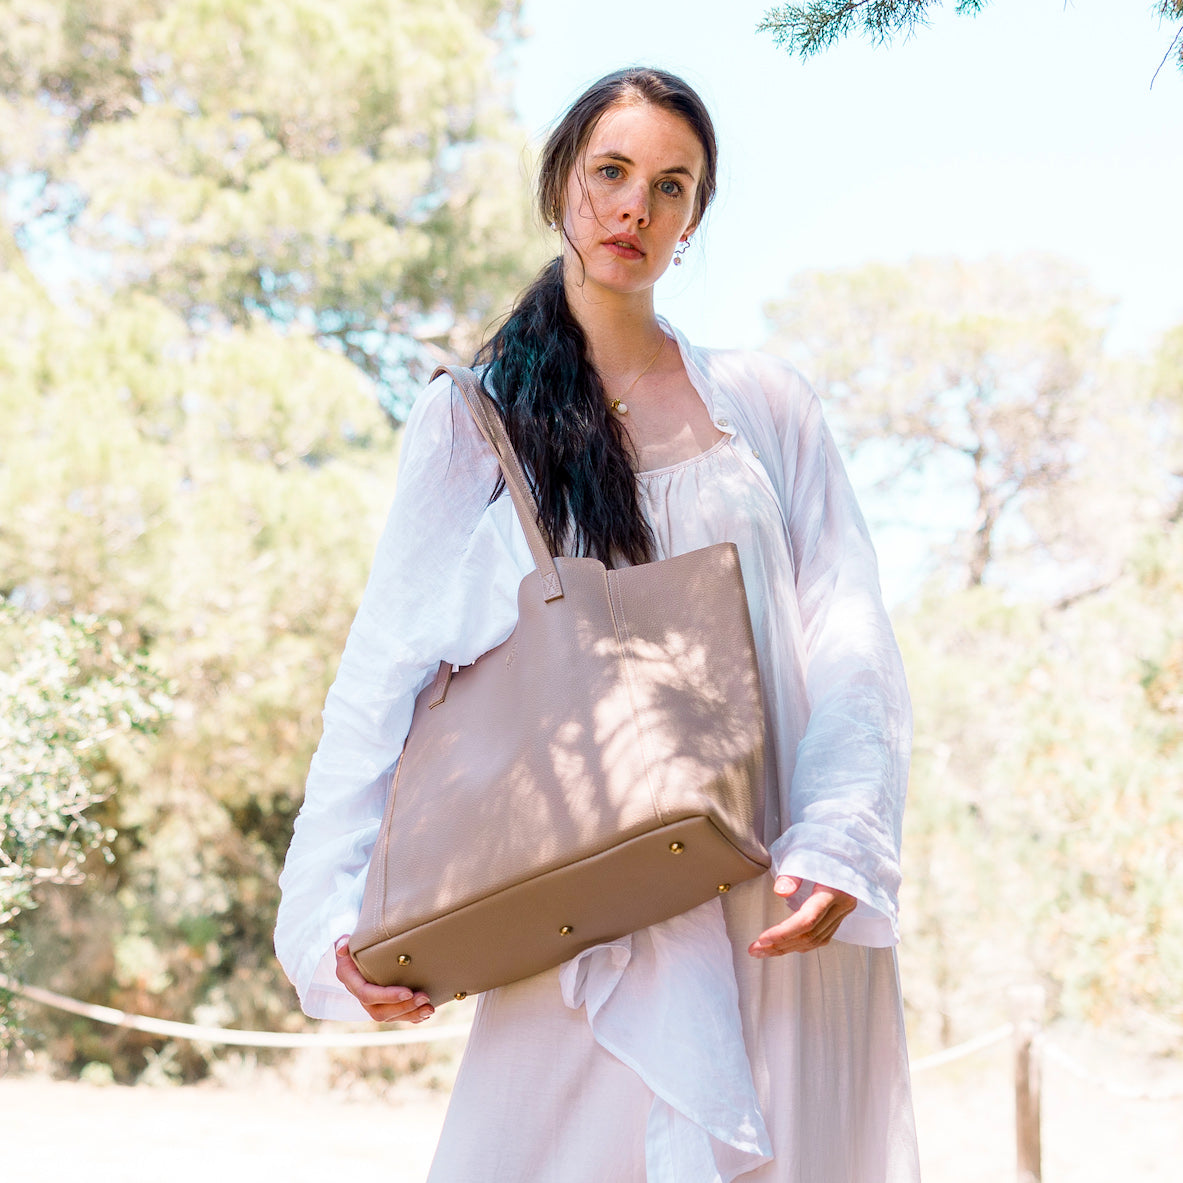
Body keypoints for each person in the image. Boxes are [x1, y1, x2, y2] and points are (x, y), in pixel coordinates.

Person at [276, 67, 920, 1182]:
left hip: (776, 880)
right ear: (559, 185)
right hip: (592, 904)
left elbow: (849, 631)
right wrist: (324, 922)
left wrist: (839, 835)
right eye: (611, 172)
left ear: (693, 222)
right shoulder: (473, 419)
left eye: (671, 188)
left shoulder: (767, 403)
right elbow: (384, 669)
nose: (634, 208)